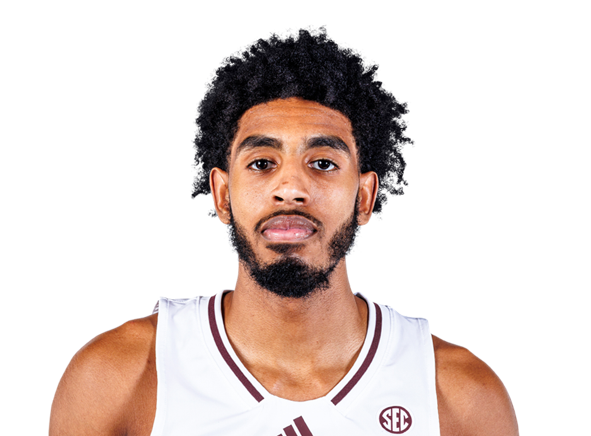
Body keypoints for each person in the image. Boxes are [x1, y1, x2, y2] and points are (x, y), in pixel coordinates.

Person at [49, 26, 519, 435]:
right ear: (222, 195)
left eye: (323, 163)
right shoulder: (119, 376)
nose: (291, 188)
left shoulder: (458, 396)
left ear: (364, 197)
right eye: (262, 163)